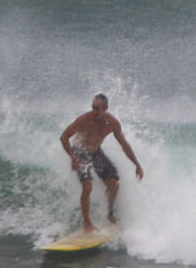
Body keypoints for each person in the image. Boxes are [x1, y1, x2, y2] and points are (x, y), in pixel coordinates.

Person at [59, 94, 144, 231]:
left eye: (97, 109)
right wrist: (73, 158)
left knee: (114, 185)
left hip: (96, 152)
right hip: (80, 153)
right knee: (87, 187)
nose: (94, 111)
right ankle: (87, 223)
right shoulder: (84, 120)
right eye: (93, 108)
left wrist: (137, 165)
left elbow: (124, 145)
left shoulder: (112, 123)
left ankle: (109, 215)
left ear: (105, 108)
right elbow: (63, 137)